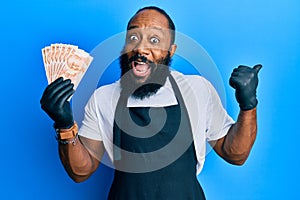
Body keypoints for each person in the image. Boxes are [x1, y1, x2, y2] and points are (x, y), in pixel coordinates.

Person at [40, 6, 262, 200]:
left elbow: (235, 154)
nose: (141, 48)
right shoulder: (103, 97)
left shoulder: (197, 89)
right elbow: (81, 172)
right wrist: (65, 125)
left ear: (170, 51)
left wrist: (248, 106)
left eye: (154, 40)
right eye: (133, 38)